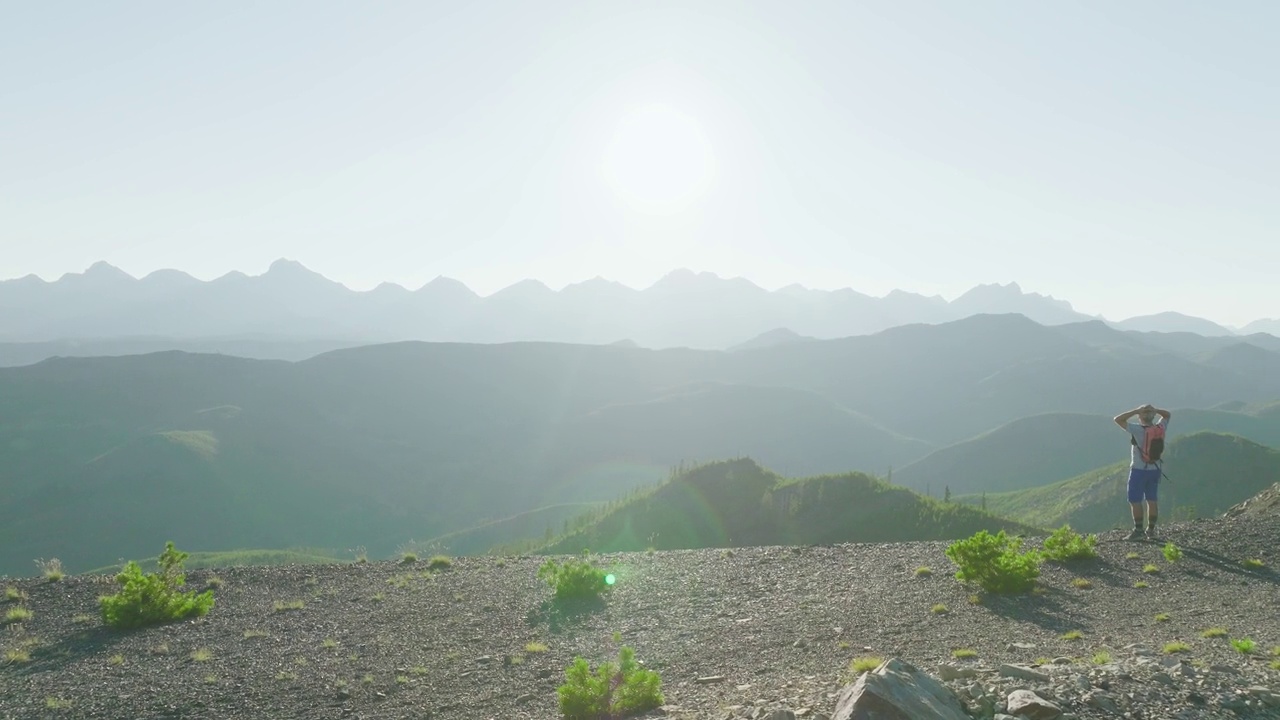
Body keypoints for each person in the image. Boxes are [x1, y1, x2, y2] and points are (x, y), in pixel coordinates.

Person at [1113, 403, 1171, 540]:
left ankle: (1138, 531)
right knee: (1152, 499)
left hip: (1138, 470)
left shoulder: (1137, 429)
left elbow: (1118, 419)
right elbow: (1167, 415)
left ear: (1140, 417)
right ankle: (1151, 531)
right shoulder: (1161, 427)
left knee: (1135, 500)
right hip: (1155, 469)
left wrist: (1136, 411)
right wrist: (1155, 410)